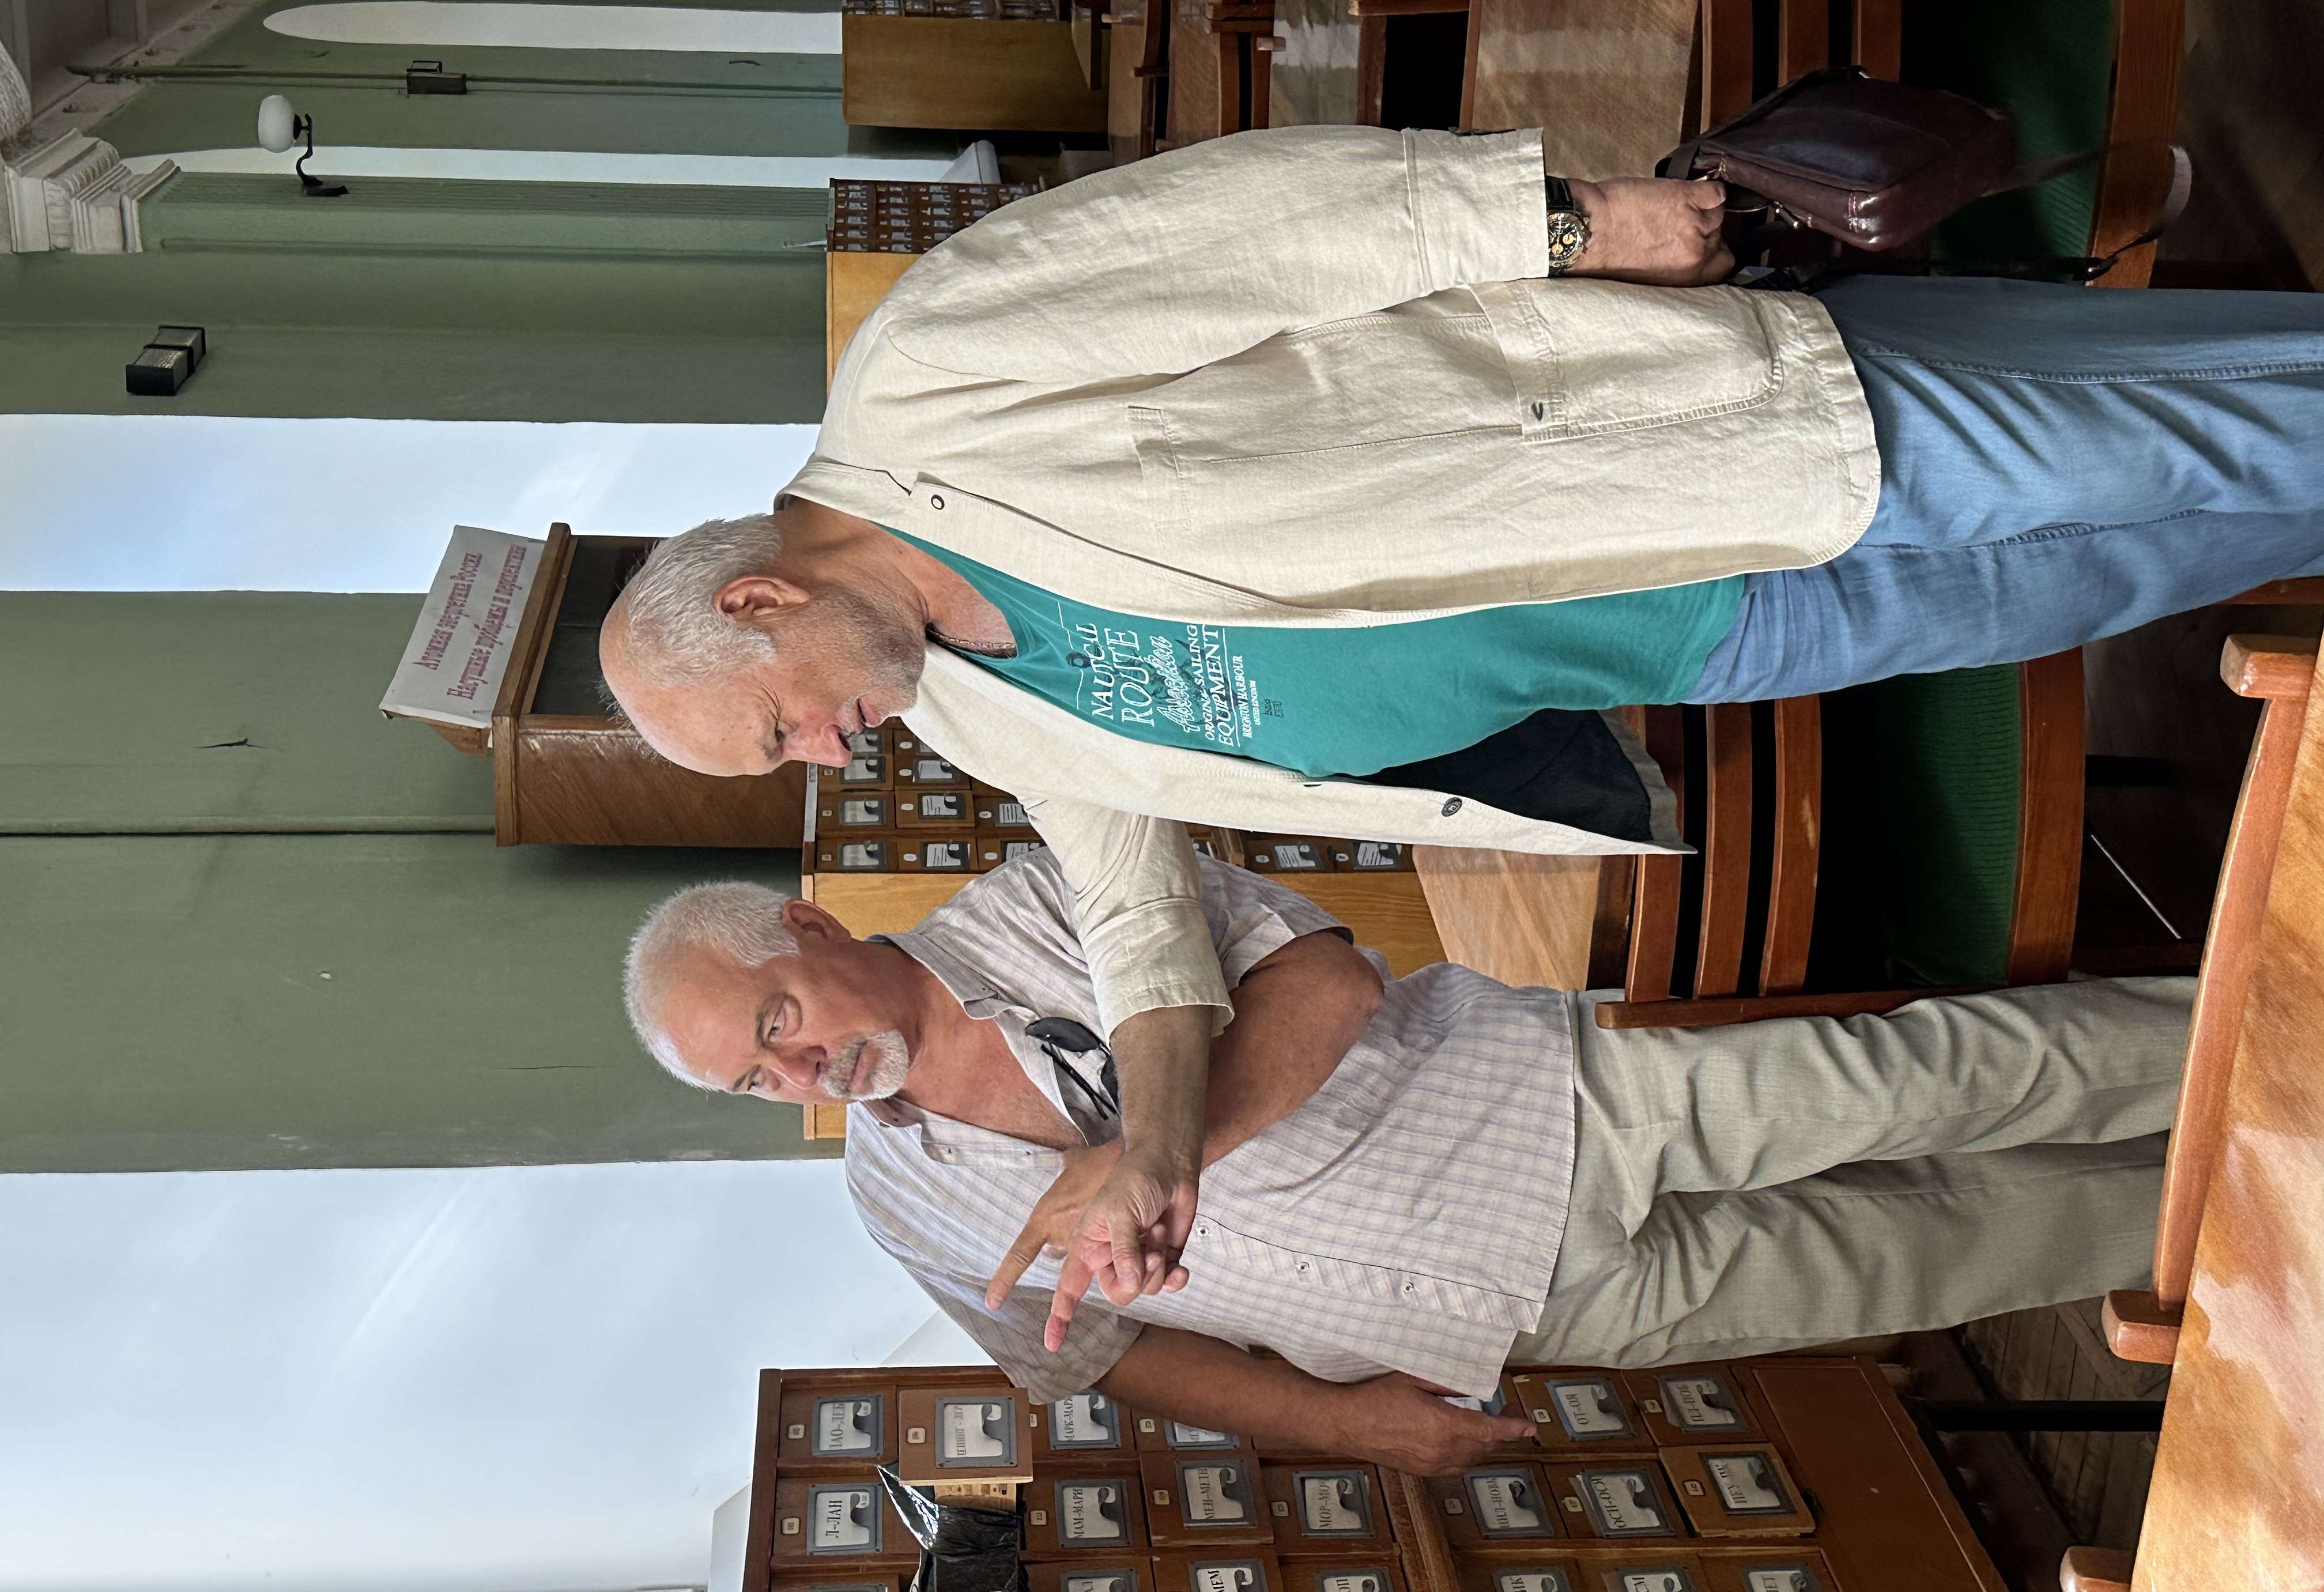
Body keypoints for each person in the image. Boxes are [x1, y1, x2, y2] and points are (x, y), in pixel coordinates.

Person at [598, 125, 2319, 1330]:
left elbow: (1250, 234)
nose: (830, 756)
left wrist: (1573, 224)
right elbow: (1138, 929)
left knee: (2240, 429)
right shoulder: (980, 720)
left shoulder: (926, 378)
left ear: (755, 602)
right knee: (2173, 556)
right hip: (1721, 627)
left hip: (1701, 442)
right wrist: (1159, 1143)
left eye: (780, 731)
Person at [619, 851, 2190, 1474]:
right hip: (1512, 1306)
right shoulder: (894, 1199)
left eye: (777, 1022)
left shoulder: (1044, 899)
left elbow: (1326, 981)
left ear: (810, 927)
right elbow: (1106, 1358)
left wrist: (1153, 1157)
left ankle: (2269, 1030)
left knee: (1943, 1080)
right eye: (759, 1081)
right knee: (1947, 1251)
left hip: (1563, 1102)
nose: (799, 1075)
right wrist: (1342, 1421)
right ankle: (2272, 1210)